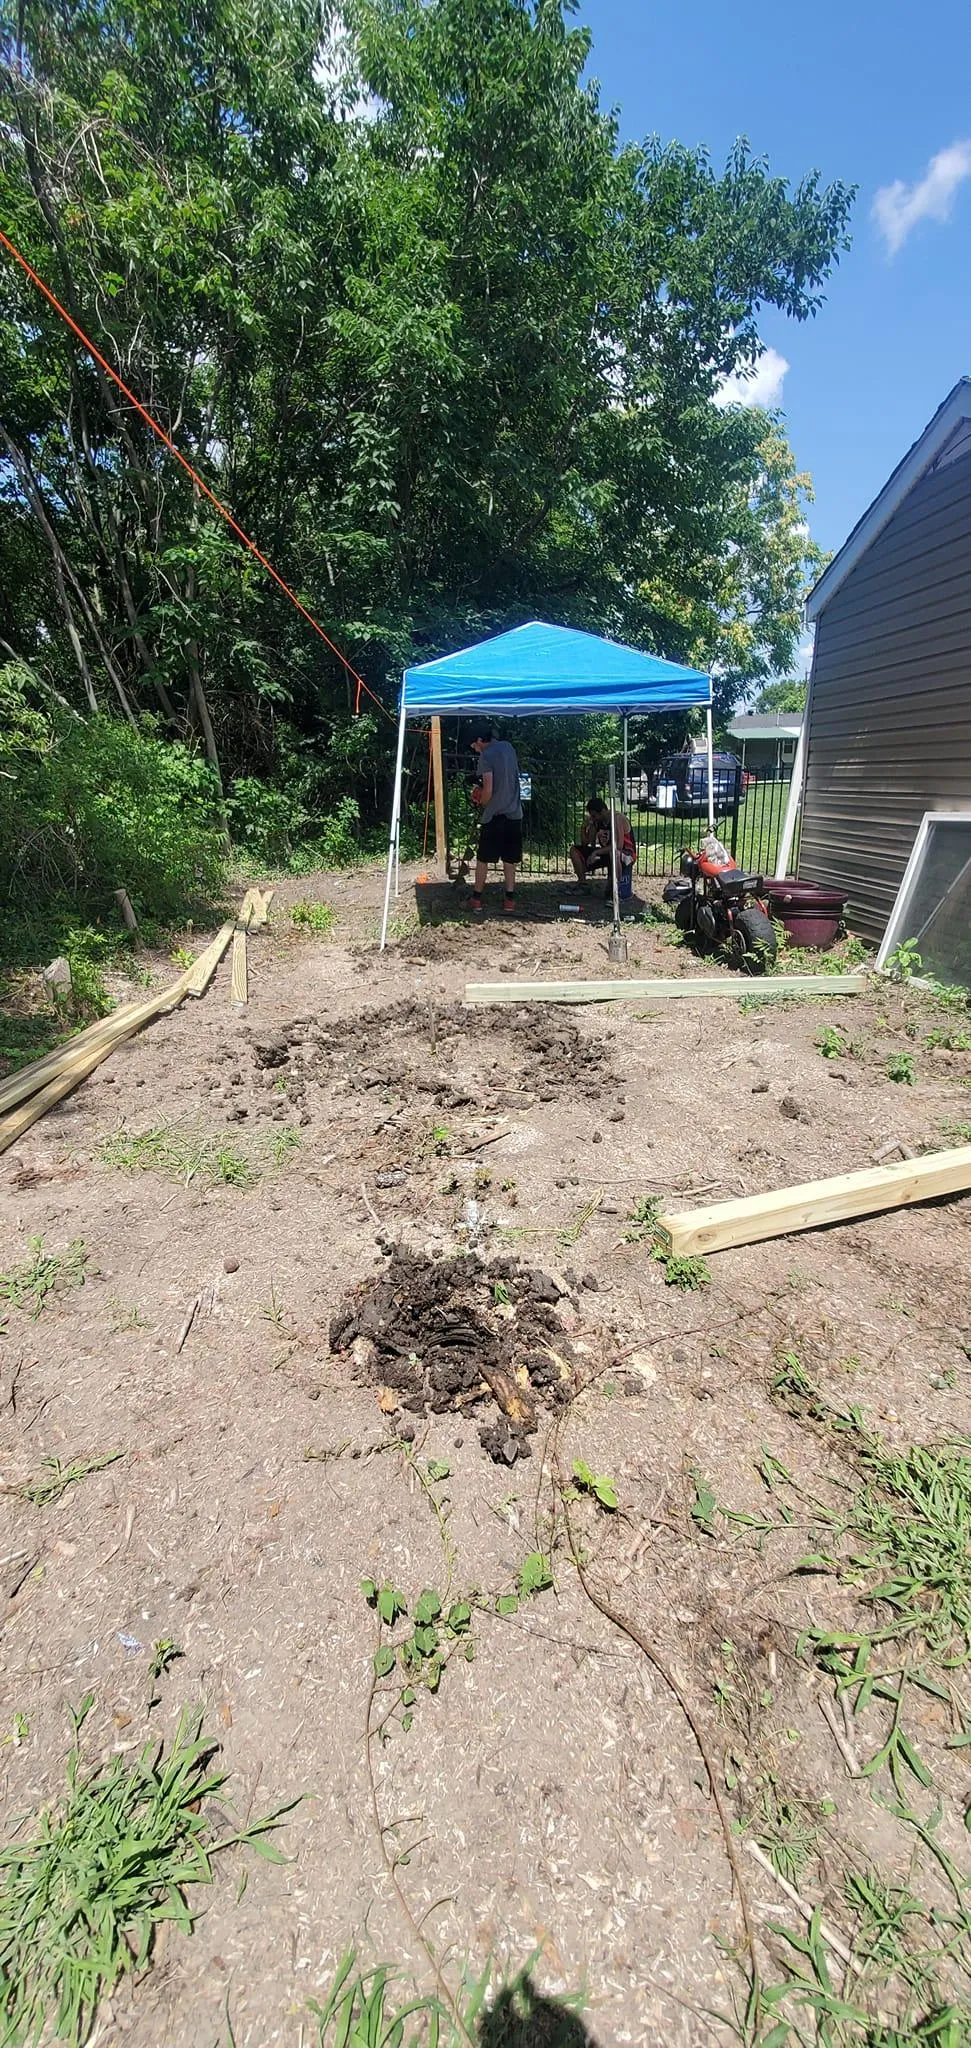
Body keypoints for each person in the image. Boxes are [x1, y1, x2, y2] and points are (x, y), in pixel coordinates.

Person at [467, 725, 523, 915]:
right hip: (514, 813)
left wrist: (481, 801)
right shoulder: (509, 748)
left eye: (474, 745)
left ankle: (476, 898)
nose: (475, 749)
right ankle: (509, 900)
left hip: (494, 815)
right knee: (509, 860)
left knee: (483, 859)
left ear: (481, 740)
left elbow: (488, 789)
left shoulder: (486, 755)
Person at [570, 795, 635, 894]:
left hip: (625, 854)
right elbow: (586, 843)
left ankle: (617, 890)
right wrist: (584, 827)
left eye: (594, 816)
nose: (593, 818)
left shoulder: (617, 818)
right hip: (606, 853)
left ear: (602, 811)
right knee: (574, 851)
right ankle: (583, 884)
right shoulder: (597, 822)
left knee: (614, 853)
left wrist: (596, 852)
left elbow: (618, 845)